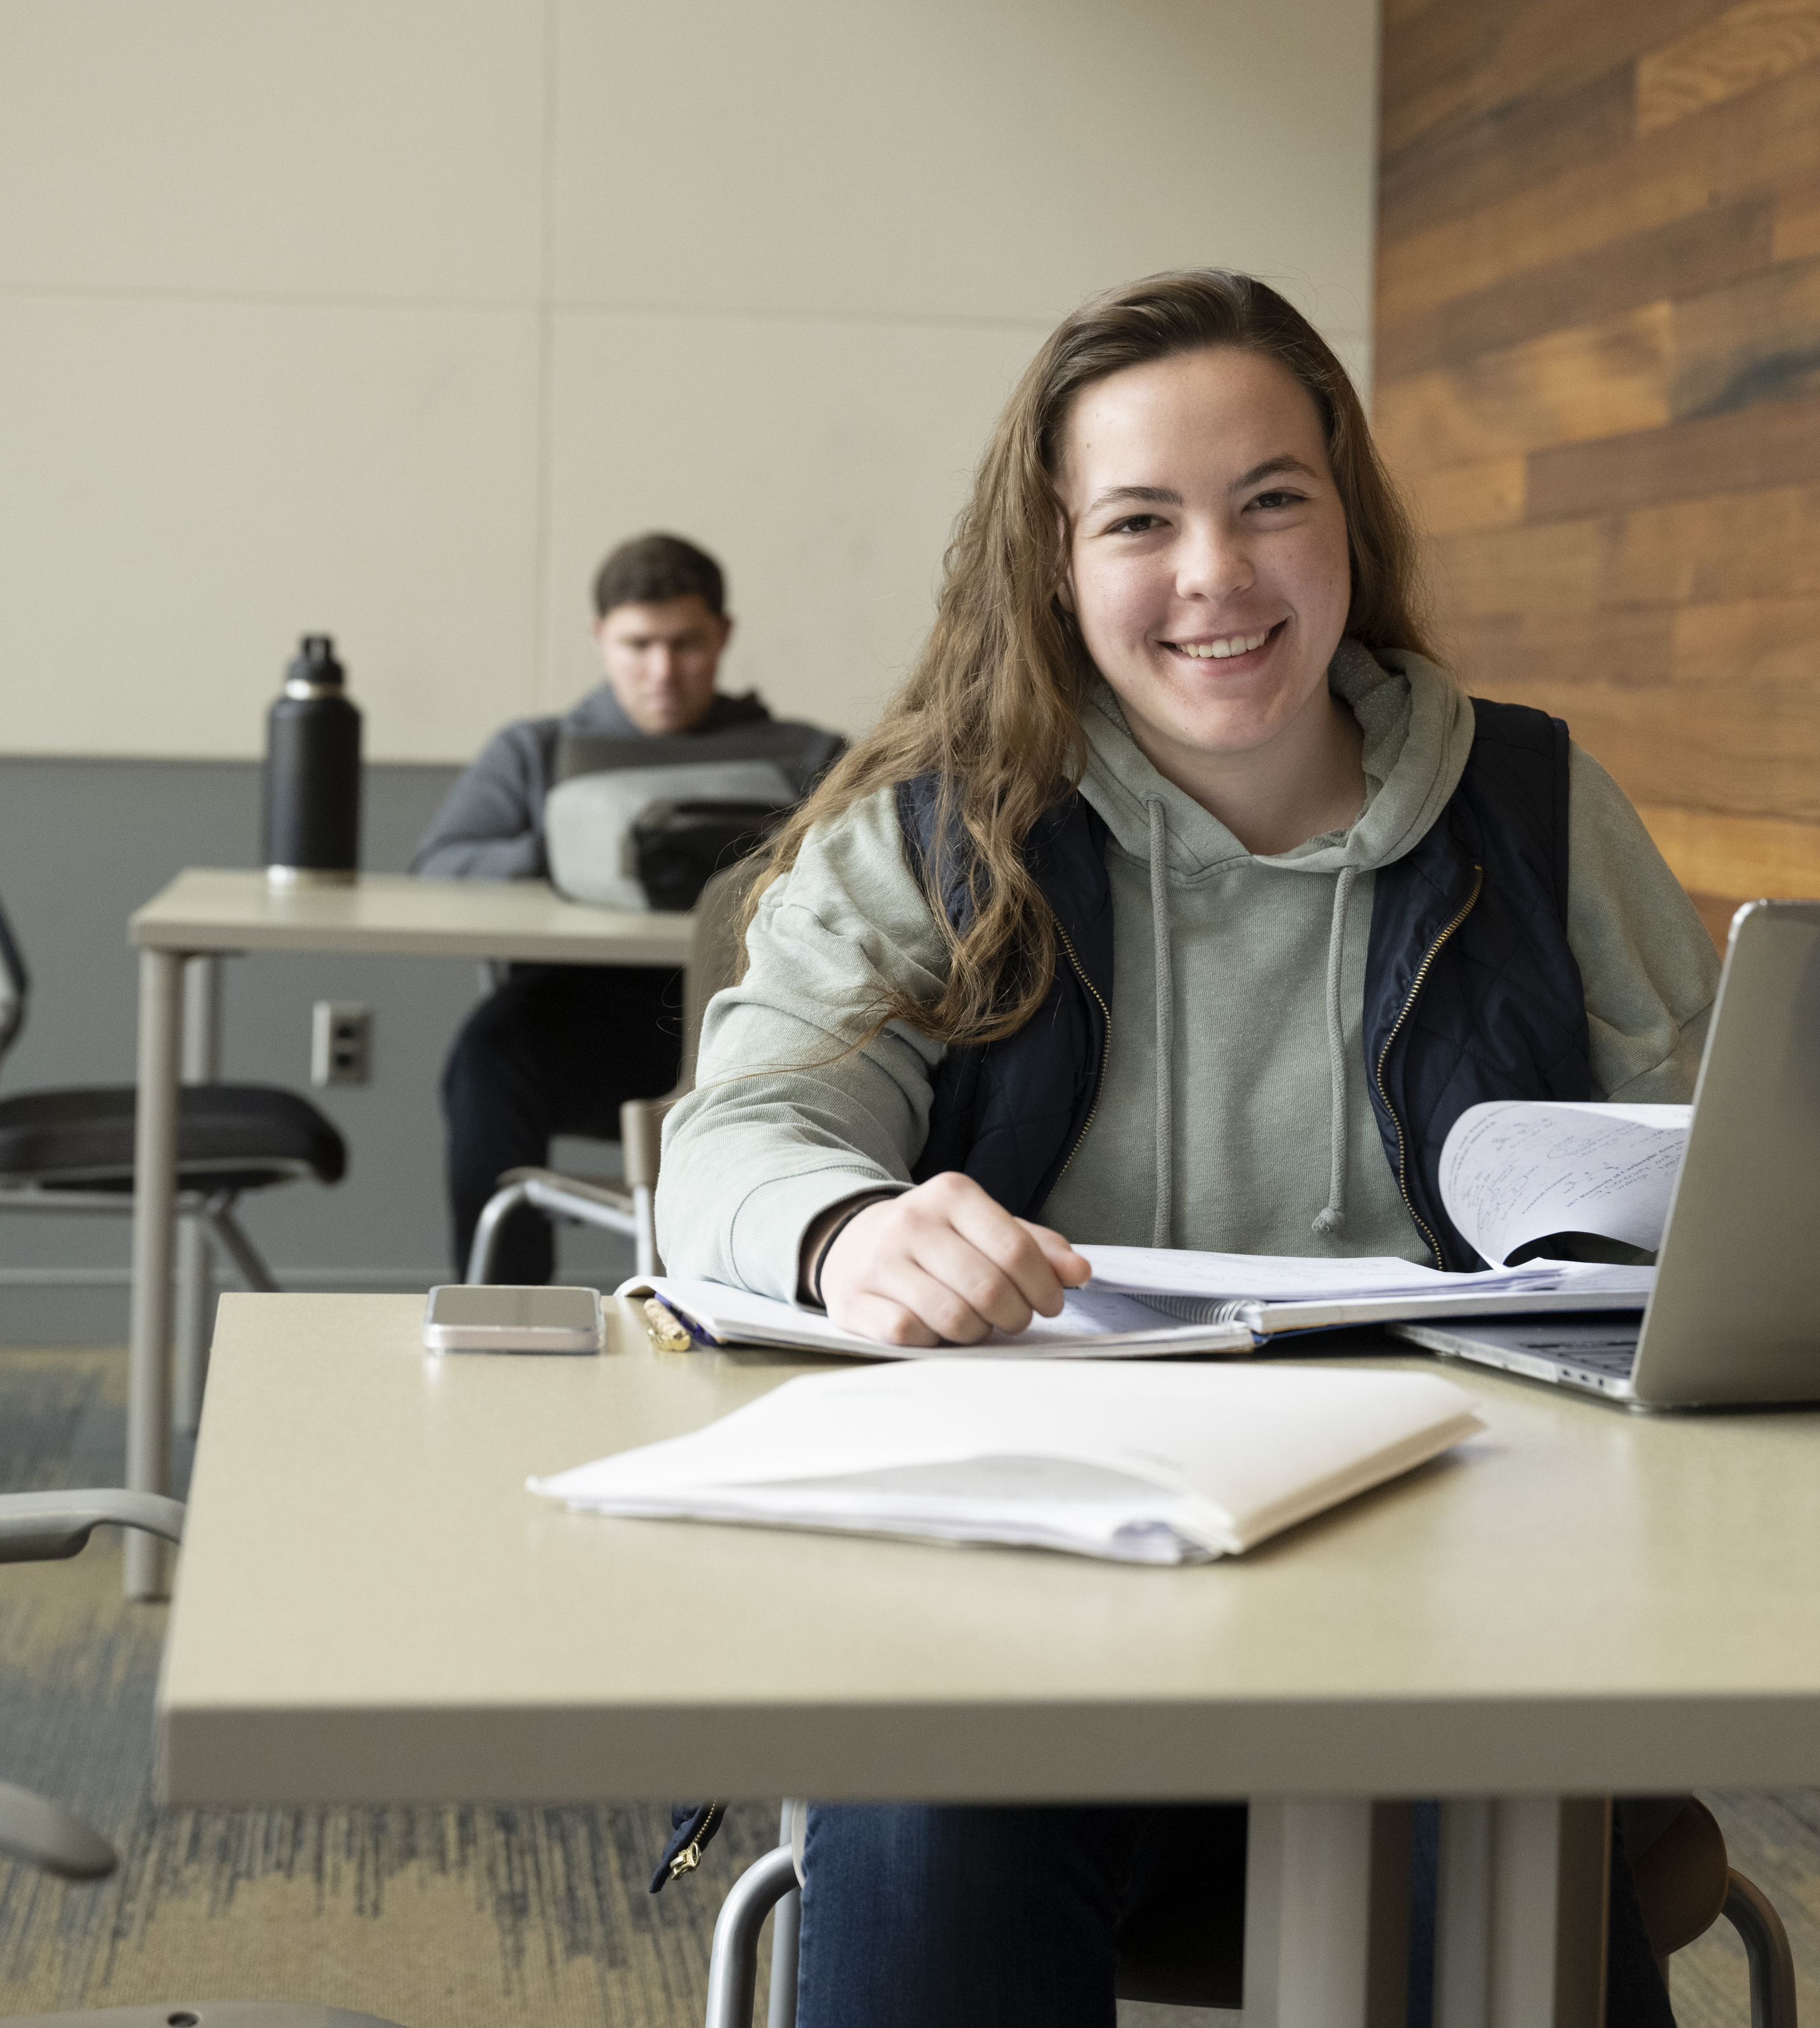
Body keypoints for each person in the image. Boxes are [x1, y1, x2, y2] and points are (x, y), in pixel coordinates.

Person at [659, 273, 1719, 2025]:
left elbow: (1714, 1175)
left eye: (1271, 502)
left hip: (1461, 1629)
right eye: (1143, 521)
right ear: (1058, 565)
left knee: (1519, 1845)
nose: (1216, 574)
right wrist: (849, 1229)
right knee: (926, 1823)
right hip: (1019, 1642)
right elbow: (740, 1134)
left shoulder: (1536, 811)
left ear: (1348, 531)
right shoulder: (935, 837)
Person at [415, 532, 836, 1283]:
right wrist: (568, 855)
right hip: (588, 1024)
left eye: (686, 644)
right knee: (487, 1055)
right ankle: (505, 1312)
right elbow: (440, 866)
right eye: (638, 644)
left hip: (754, 1022)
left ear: (724, 636)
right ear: (599, 638)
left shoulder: (805, 755)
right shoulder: (536, 753)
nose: (663, 672)